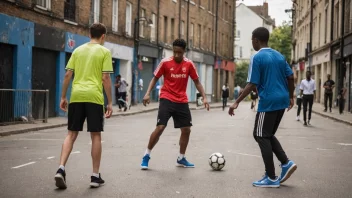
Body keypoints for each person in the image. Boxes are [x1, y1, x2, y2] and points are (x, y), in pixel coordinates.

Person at [228, 27, 297, 188]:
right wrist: (291, 96)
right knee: (267, 134)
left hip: (269, 101)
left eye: (252, 40)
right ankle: (286, 163)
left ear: (256, 40)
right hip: (282, 100)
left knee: (259, 135)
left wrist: (237, 101)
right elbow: (291, 77)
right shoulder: (279, 55)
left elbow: (252, 83)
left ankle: (271, 177)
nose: (252, 42)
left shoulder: (257, 57)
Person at [55, 23, 113, 189]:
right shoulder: (104, 52)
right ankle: (95, 176)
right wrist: (109, 102)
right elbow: (105, 79)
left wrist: (63, 96)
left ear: (90, 34)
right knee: (95, 135)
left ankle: (61, 168)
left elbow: (68, 74)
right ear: (103, 36)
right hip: (94, 97)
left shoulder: (78, 50)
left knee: (71, 134)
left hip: (77, 96)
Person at [140, 38, 210, 170]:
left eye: (179, 52)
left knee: (186, 130)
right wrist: (147, 93)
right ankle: (146, 155)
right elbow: (155, 78)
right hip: (166, 98)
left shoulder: (189, 64)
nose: (177, 55)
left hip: (181, 100)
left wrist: (204, 97)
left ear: (184, 51)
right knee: (160, 127)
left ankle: (181, 157)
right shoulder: (165, 62)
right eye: (175, 52)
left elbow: (197, 82)